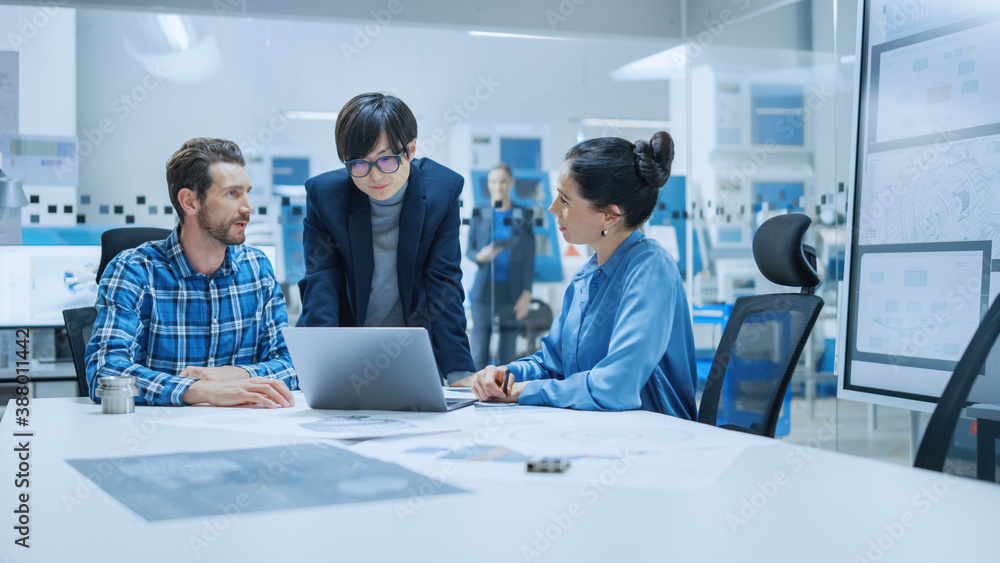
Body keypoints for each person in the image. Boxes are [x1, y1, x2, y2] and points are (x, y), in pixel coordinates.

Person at [468, 132, 697, 419]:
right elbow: (553, 363)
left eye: (565, 201)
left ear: (610, 215)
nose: (552, 209)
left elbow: (616, 386)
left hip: (653, 439)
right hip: (597, 429)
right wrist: (507, 375)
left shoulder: (651, 268)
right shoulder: (586, 276)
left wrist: (525, 391)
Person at [86, 138, 297, 408]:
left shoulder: (257, 268)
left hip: (243, 434)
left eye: (247, 192)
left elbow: (291, 364)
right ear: (190, 201)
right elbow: (105, 373)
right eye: (233, 193)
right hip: (156, 435)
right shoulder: (133, 270)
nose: (248, 207)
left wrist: (235, 375)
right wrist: (202, 391)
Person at [296, 92, 476, 383]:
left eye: (387, 160)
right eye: (359, 164)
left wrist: (460, 372)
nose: (375, 176)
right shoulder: (325, 197)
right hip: (343, 346)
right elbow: (321, 285)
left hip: (408, 351)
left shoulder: (443, 192)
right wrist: (321, 367)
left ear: (411, 149)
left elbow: (443, 284)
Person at [467, 163, 535, 369]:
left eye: (503, 181)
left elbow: (528, 258)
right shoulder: (480, 211)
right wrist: (480, 256)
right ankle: (476, 396)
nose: (498, 186)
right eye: (494, 181)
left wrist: (526, 293)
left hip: (512, 292)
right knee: (479, 352)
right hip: (484, 292)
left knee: (507, 354)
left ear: (511, 183)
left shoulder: (523, 214)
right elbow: (469, 250)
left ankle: (504, 397)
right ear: (488, 184)